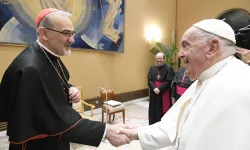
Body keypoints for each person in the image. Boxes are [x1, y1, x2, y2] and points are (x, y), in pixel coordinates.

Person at [0, 8, 130, 150]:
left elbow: (53, 84)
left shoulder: (48, 55)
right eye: (66, 33)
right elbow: (55, 118)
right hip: (38, 144)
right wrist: (107, 131)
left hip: (55, 137)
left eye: (72, 33)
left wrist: (70, 89)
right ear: (44, 33)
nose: (72, 40)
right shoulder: (31, 68)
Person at [117, 19, 250, 150]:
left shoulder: (239, 85)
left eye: (186, 45)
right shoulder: (204, 78)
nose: (180, 54)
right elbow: (175, 124)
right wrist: (137, 134)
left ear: (212, 48)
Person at [147, 52, 175, 125]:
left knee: (163, 109)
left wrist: (159, 89)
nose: (159, 60)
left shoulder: (169, 68)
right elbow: (149, 80)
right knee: (154, 109)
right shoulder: (152, 68)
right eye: (157, 58)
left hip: (163, 92)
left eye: (160, 58)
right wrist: (154, 88)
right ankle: (153, 124)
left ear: (164, 59)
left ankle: (162, 125)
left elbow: (169, 81)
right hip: (154, 93)